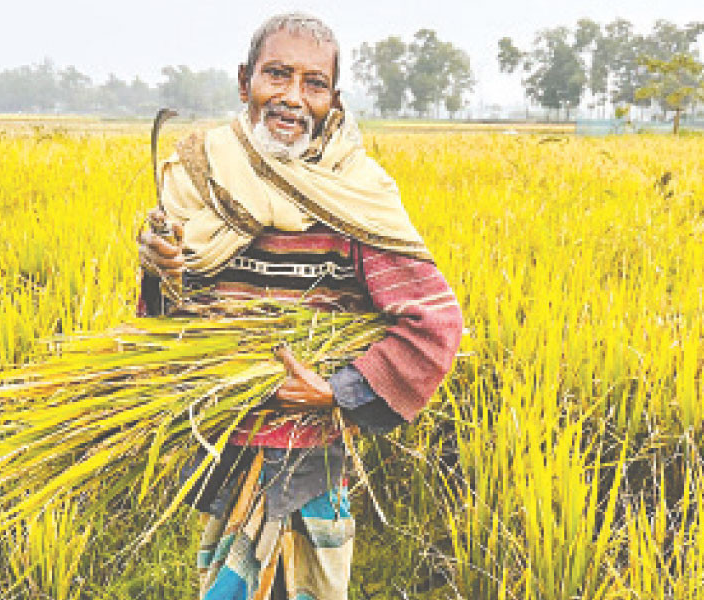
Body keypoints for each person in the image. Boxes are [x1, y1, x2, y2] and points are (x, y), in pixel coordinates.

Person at [137, 12, 463, 600]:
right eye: (276, 76)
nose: (292, 98)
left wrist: (337, 390)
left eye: (313, 83)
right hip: (228, 443)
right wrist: (163, 266)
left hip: (312, 457)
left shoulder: (358, 193)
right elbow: (172, 320)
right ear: (245, 83)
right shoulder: (202, 176)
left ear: (333, 99)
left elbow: (434, 321)